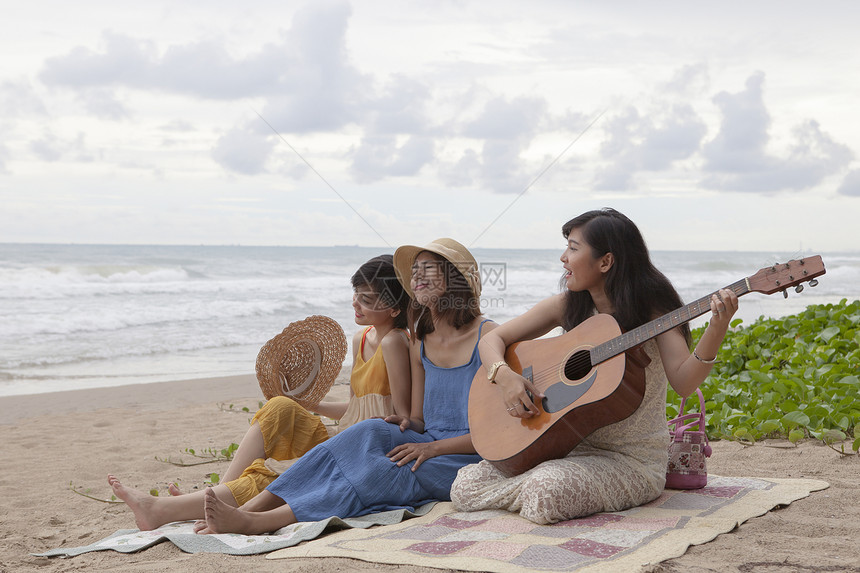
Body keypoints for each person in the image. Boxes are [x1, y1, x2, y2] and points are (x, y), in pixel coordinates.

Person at [450, 208, 738, 524]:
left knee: (548, 488)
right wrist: (504, 376)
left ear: (605, 262)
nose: (563, 257)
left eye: (573, 248)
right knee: (465, 485)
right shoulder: (570, 305)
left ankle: (531, 492)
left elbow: (684, 383)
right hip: (561, 450)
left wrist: (717, 327)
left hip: (631, 462)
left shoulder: (655, 312)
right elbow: (491, 341)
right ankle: (531, 490)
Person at [193, 238, 495, 535]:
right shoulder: (420, 344)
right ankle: (248, 509)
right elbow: (417, 420)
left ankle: (261, 522)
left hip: (462, 457)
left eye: (428, 269)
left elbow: (493, 434)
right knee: (363, 432)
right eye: (414, 270)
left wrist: (431, 447)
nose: (416, 276)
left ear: (456, 279)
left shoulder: (488, 335)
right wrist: (404, 422)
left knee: (380, 470)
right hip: (426, 441)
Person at [108, 255, 412, 531]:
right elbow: (357, 407)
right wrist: (311, 404)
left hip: (363, 450)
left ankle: (161, 509)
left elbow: (399, 416)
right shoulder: (363, 336)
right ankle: (219, 496)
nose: (355, 303)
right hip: (342, 436)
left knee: (279, 475)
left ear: (395, 308)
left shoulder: (395, 342)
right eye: (355, 294)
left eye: (366, 298)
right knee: (280, 406)